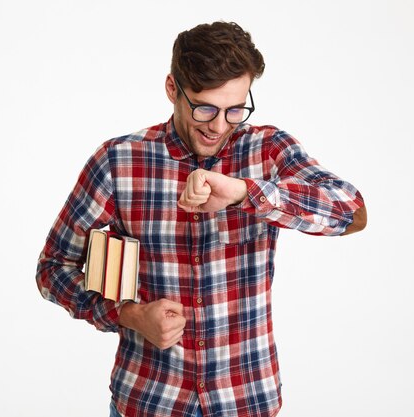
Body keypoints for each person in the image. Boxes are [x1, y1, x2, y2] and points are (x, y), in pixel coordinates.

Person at [36, 21, 366, 417]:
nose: (219, 125)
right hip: (150, 400)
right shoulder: (118, 162)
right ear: (173, 89)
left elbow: (350, 211)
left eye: (235, 110)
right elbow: (53, 267)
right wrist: (128, 315)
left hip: (245, 400)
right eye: (205, 107)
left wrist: (246, 193)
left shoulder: (266, 151)